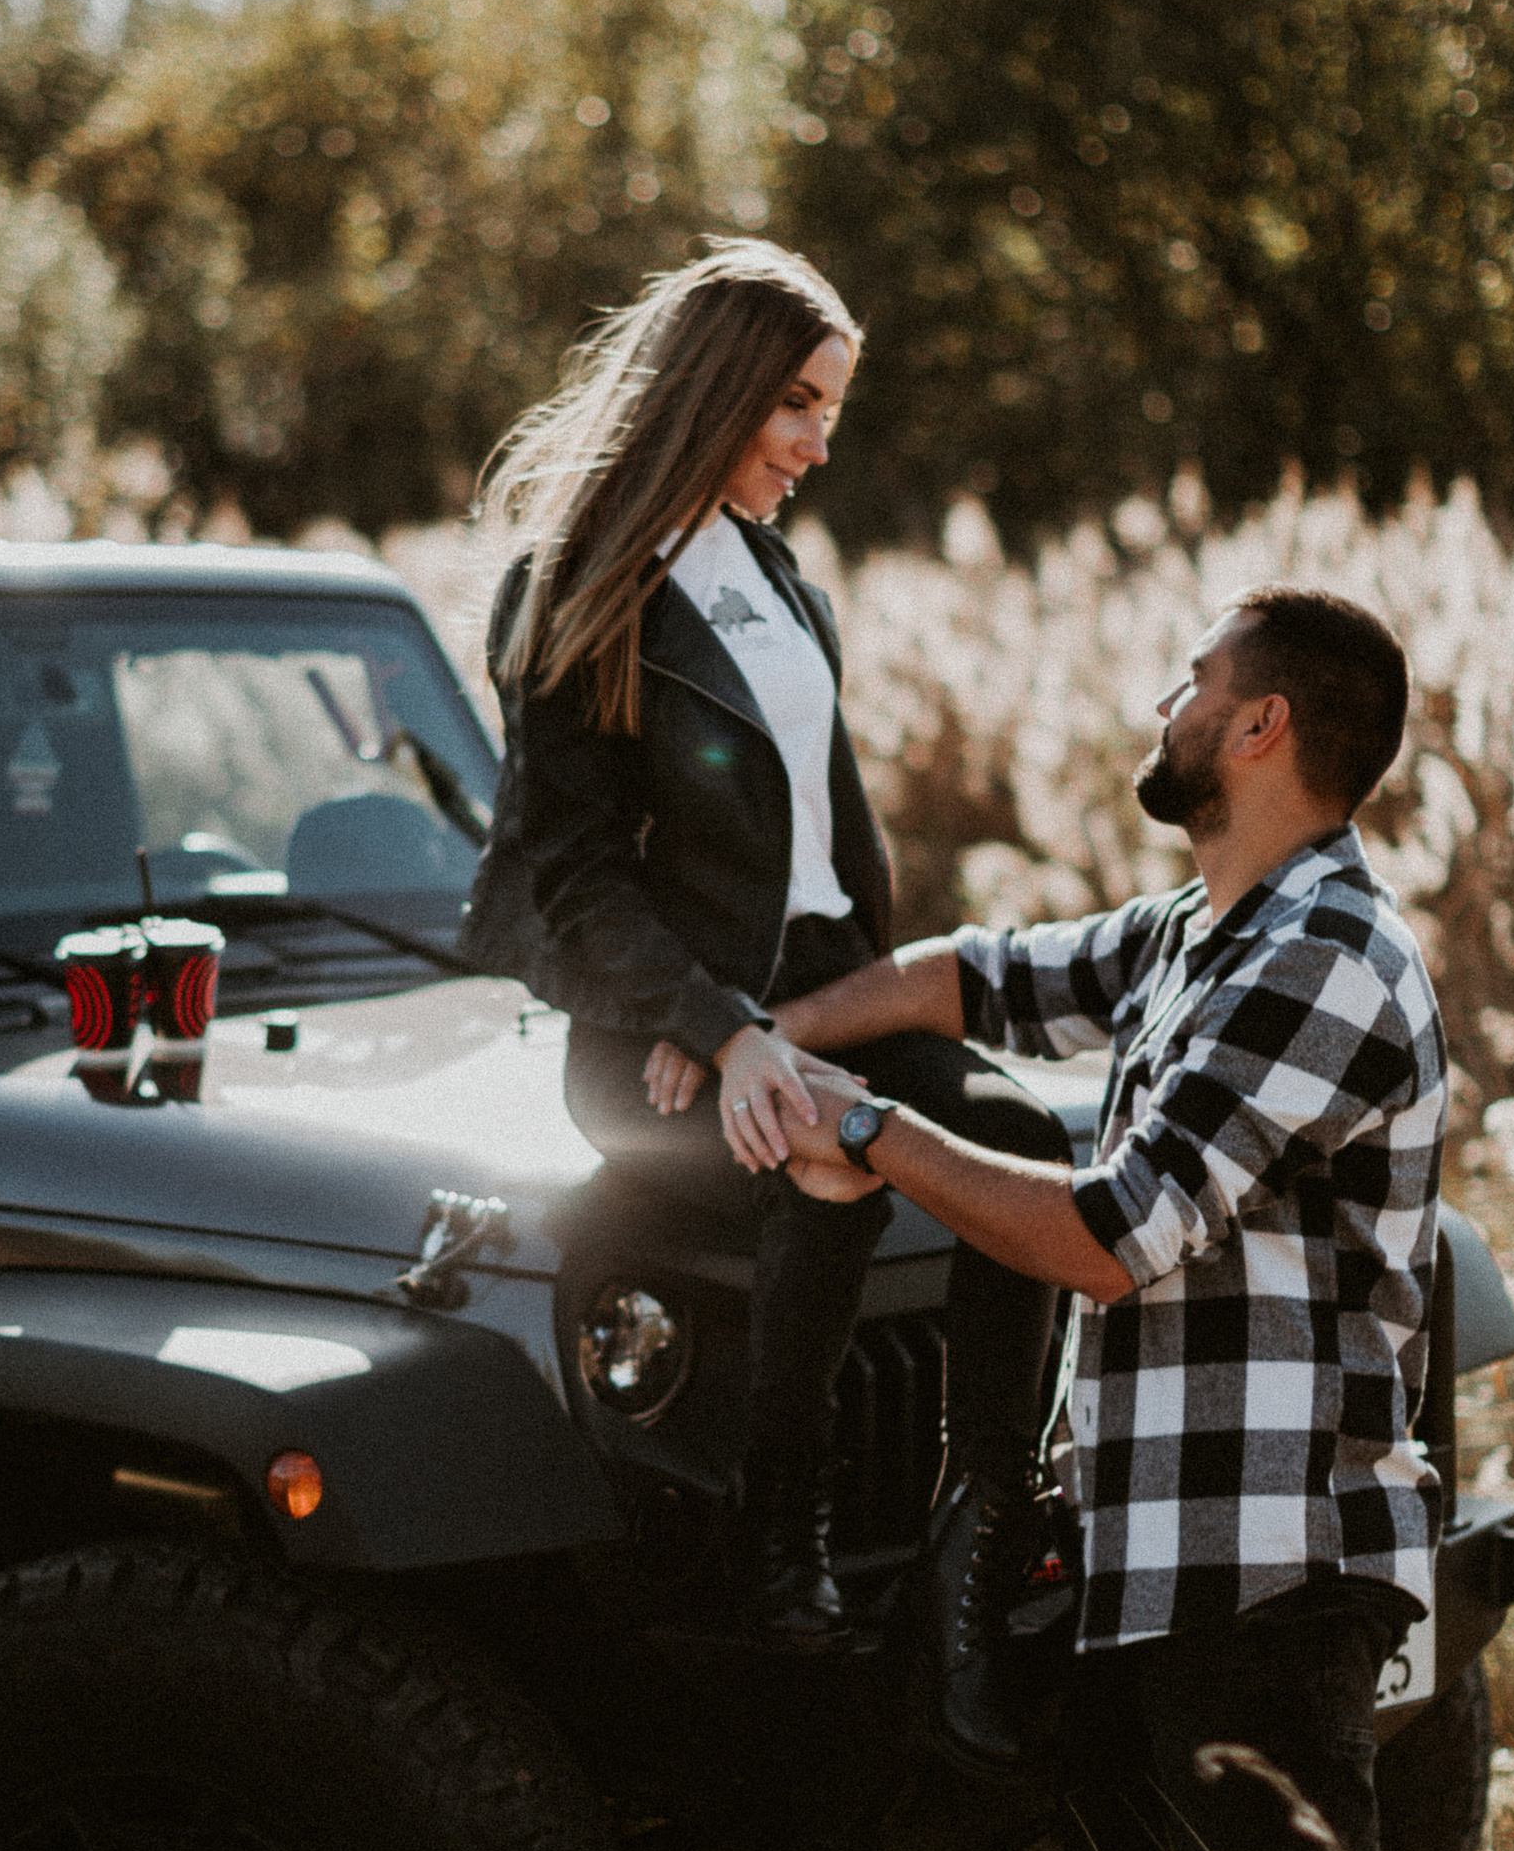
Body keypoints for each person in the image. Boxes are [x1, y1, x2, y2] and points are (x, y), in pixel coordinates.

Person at [761, 587, 1446, 1851]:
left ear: (1259, 724)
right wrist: (762, 1044)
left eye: (1190, 681)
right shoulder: (1198, 934)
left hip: (1269, 1583)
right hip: (1146, 1572)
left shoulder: (1326, 956)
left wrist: (868, 1130)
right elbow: (973, 975)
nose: (1162, 706)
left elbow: (1109, 1237)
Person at [460, 239, 1075, 1767]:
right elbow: (574, 876)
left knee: (1026, 1146)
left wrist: (783, 1025)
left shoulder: (777, 578)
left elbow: (812, 844)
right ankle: (775, 1531)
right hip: (653, 1034)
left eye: (830, 412)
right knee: (831, 1155)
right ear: (717, 389)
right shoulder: (580, 581)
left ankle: (981, 1531)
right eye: (797, 405)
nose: (816, 444)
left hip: (808, 997)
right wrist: (710, 1026)